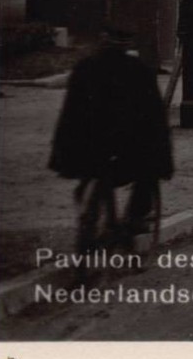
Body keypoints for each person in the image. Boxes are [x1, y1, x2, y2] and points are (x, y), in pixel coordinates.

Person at [48, 29, 174, 262]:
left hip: (85, 153)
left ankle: (89, 223)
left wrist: (63, 153)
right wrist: (162, 158)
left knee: (91, 181)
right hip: (126, 156)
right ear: (127, 46)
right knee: (149, 173)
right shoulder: (139, 71)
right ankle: (133, 220)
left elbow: (69, 115)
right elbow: (154, 118)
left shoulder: (85, 68)